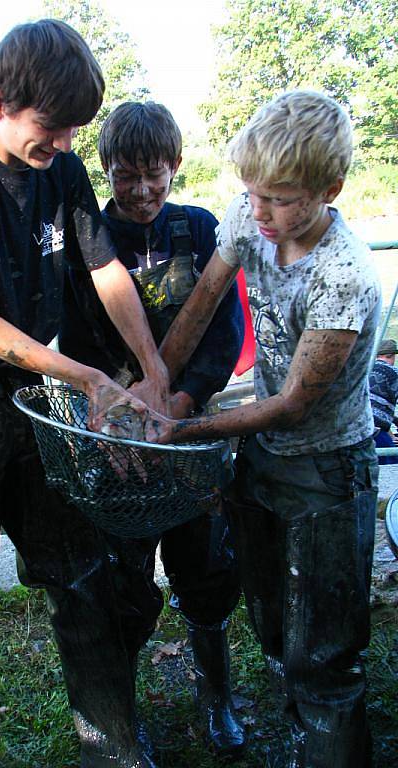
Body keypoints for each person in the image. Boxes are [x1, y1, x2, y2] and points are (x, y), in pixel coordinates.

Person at [0, 19, 170, 768]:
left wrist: (152, 365)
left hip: (37, 407)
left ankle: (111, 746)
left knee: (80, 576)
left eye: (78, 128)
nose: (67, 144)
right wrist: (88, 376)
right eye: (52, 127)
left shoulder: (64, 173)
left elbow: (105, 271)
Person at [144, 91, 381, 768]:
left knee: (326, 659)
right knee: (276, 632)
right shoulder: (251, 220)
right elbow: (201, 303)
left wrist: (190, 429)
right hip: (264, 465)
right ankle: (304, 739)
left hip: (328, 470)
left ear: (329, 188)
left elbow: (291, 406)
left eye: (279, 199)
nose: (260, 212)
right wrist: (156, 385)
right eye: (252, 194)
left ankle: (330, 741)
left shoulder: (345, 276)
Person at [59, 101, 247, 757]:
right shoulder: (89, 240)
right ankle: (122, 713)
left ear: (176, 166)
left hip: (191, 438)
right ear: (107, 169)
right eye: (125, 173)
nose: (141, 189)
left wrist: (187, 396)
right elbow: (79, 336)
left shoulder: (200, 229)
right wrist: (118, 403)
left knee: (207, 571)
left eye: (155, 173)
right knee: (124, 586)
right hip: (120, 446)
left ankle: (216, 692)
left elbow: (226, 334)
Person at [368, 338, 398, 464]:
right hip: (377, 431)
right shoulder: (393, 373)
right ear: (392, 356)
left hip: (358, 428)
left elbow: (376, 406)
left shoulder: (365, 369)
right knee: (392, 463)